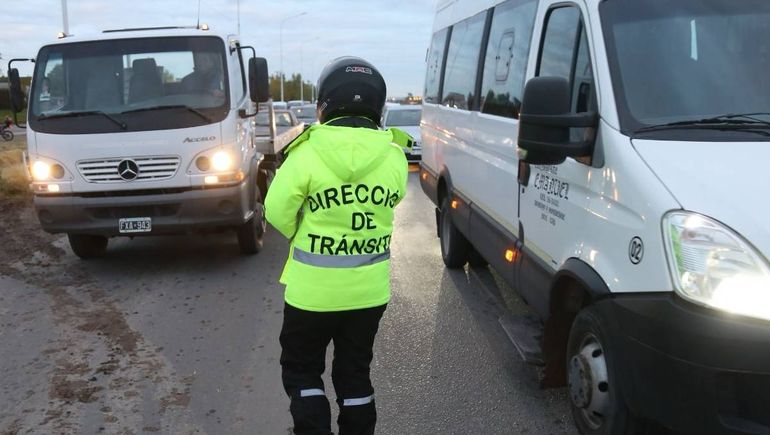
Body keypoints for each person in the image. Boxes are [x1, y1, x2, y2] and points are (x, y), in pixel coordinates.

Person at [265, 56, 410, 435]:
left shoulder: (306, 153)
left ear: (324, 106)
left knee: (302, 370)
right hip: (369, 292)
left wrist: (306, 232)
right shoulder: (393, 156)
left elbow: (277, 212)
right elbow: (390, 202)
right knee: (354, 374)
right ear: (378, 108)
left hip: (311, 294)